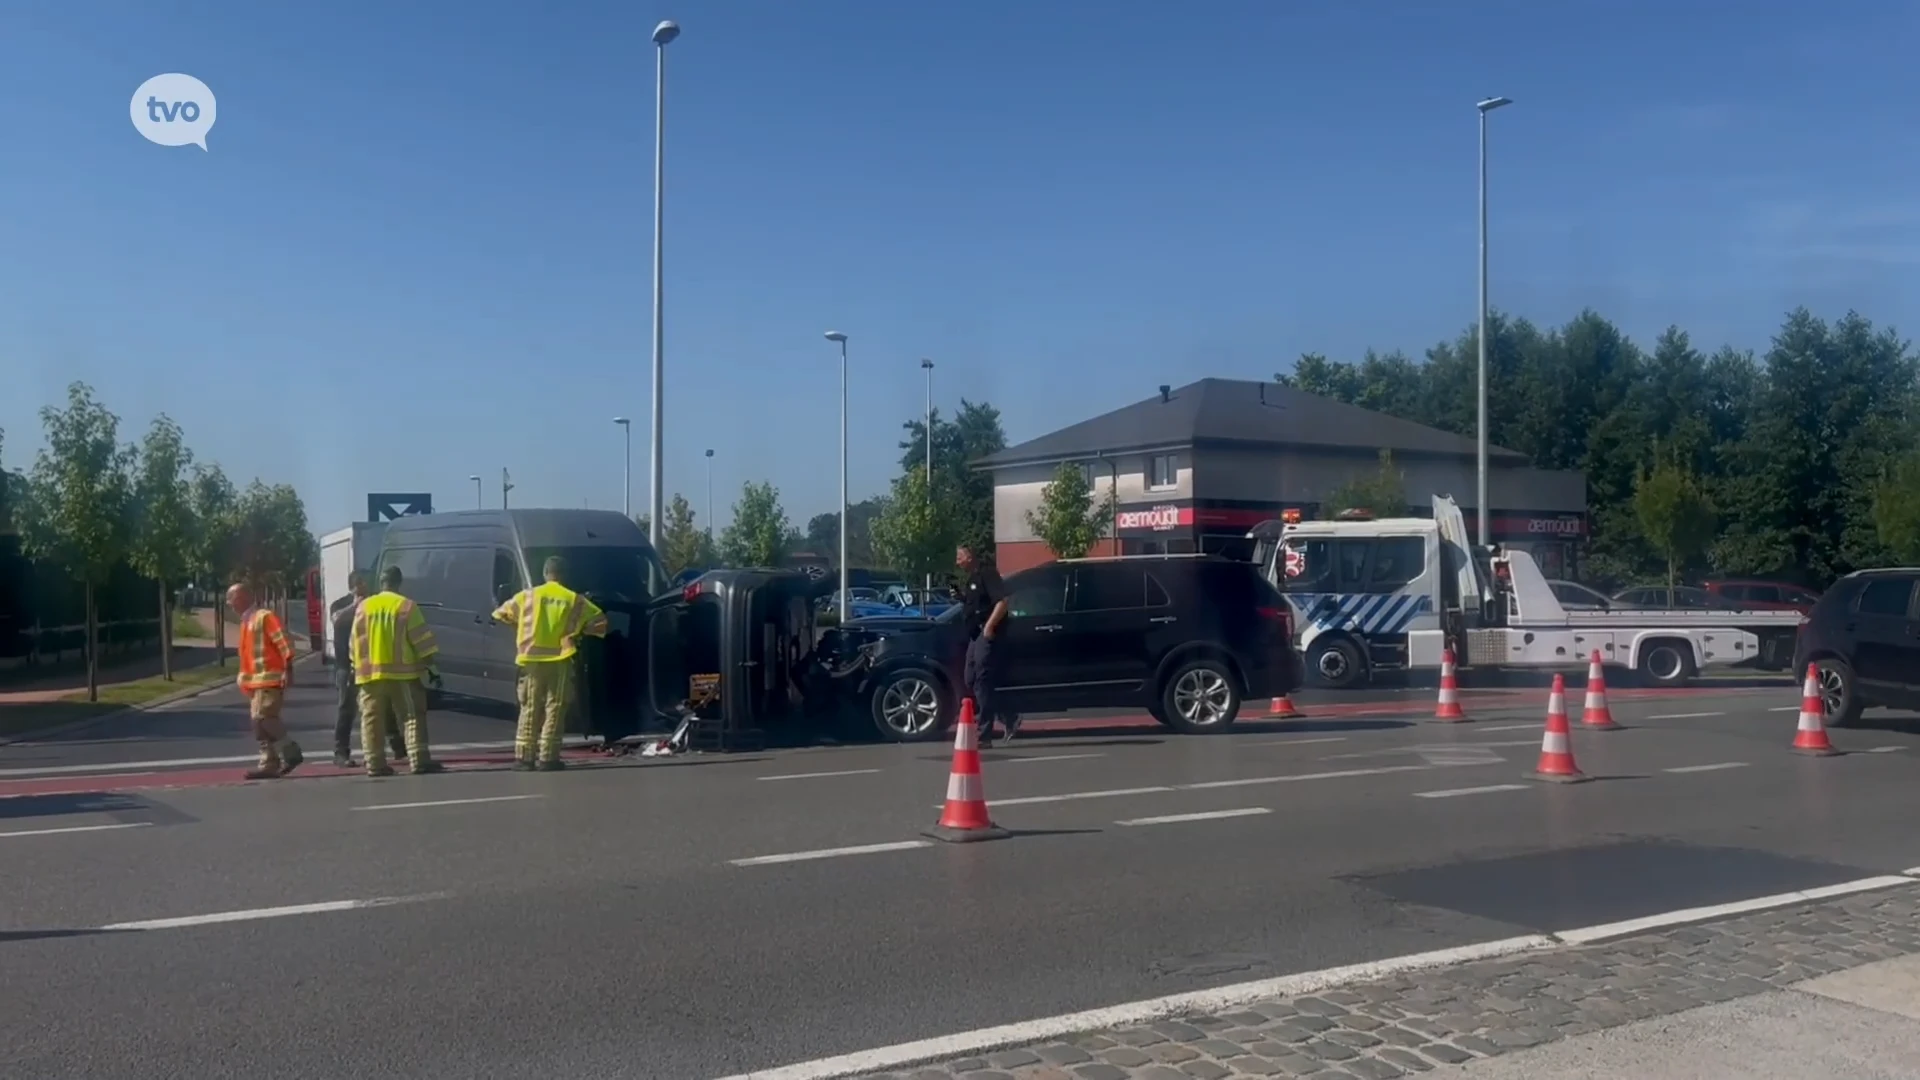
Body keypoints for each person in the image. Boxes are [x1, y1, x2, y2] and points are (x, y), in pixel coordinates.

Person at [492, 555, 608, 771]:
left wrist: (521, 629)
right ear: (563, 576)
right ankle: (548, 758)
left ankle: (524, 758)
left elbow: (500, 614)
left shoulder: (527, 596)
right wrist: (578, 632)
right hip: (561, 660)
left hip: (531, 660)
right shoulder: (574, 599)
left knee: (530, 706)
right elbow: (601, 623)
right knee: (555, 707)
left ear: (545, 574)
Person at [349, 565, 445, 777]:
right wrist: (432, 669)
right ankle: (418, 759)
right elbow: (421, 642)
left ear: (380, 583)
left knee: (371, 718)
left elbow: (355, 643)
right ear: (399, 582)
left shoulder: (364, 607)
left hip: (370, 675)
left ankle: (375, 763)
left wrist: (356, 667)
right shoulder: (406, 607)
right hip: (403, 675)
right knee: (411, 716)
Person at [329, 571, 408, 769]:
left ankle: (398, 746)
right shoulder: (340, 605)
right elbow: (336, 620)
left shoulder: (373, 604)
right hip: (345, 666)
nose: (363, 590)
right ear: (352, 588)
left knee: (384, 706)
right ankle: (341, 752)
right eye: (359, 587)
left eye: (365, 586)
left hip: (370, 664)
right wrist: (355, 606)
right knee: (346, 709)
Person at [229, 583, 304, 780]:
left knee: (264, 717)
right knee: (258, 724)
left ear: (243, 597)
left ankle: (290, 752)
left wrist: (288, 670)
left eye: (232, 599)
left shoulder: (263, 617)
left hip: (269, 680)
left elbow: (283, 641)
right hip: (257, 683)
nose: (229, 604)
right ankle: (269, 763)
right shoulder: (247, 622)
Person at [956, 543, 1016, 745]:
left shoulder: (988, 574)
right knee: (970, 678)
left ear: (970, 556)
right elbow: (975, 604)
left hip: (985, 632)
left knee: (982, 679)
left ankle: (984, 734)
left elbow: (1002, 602)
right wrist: (960, 598)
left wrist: (990, 627)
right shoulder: (972, 578)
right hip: (974, 634)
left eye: (960, 556)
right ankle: (1008, 715)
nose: (957, 561)